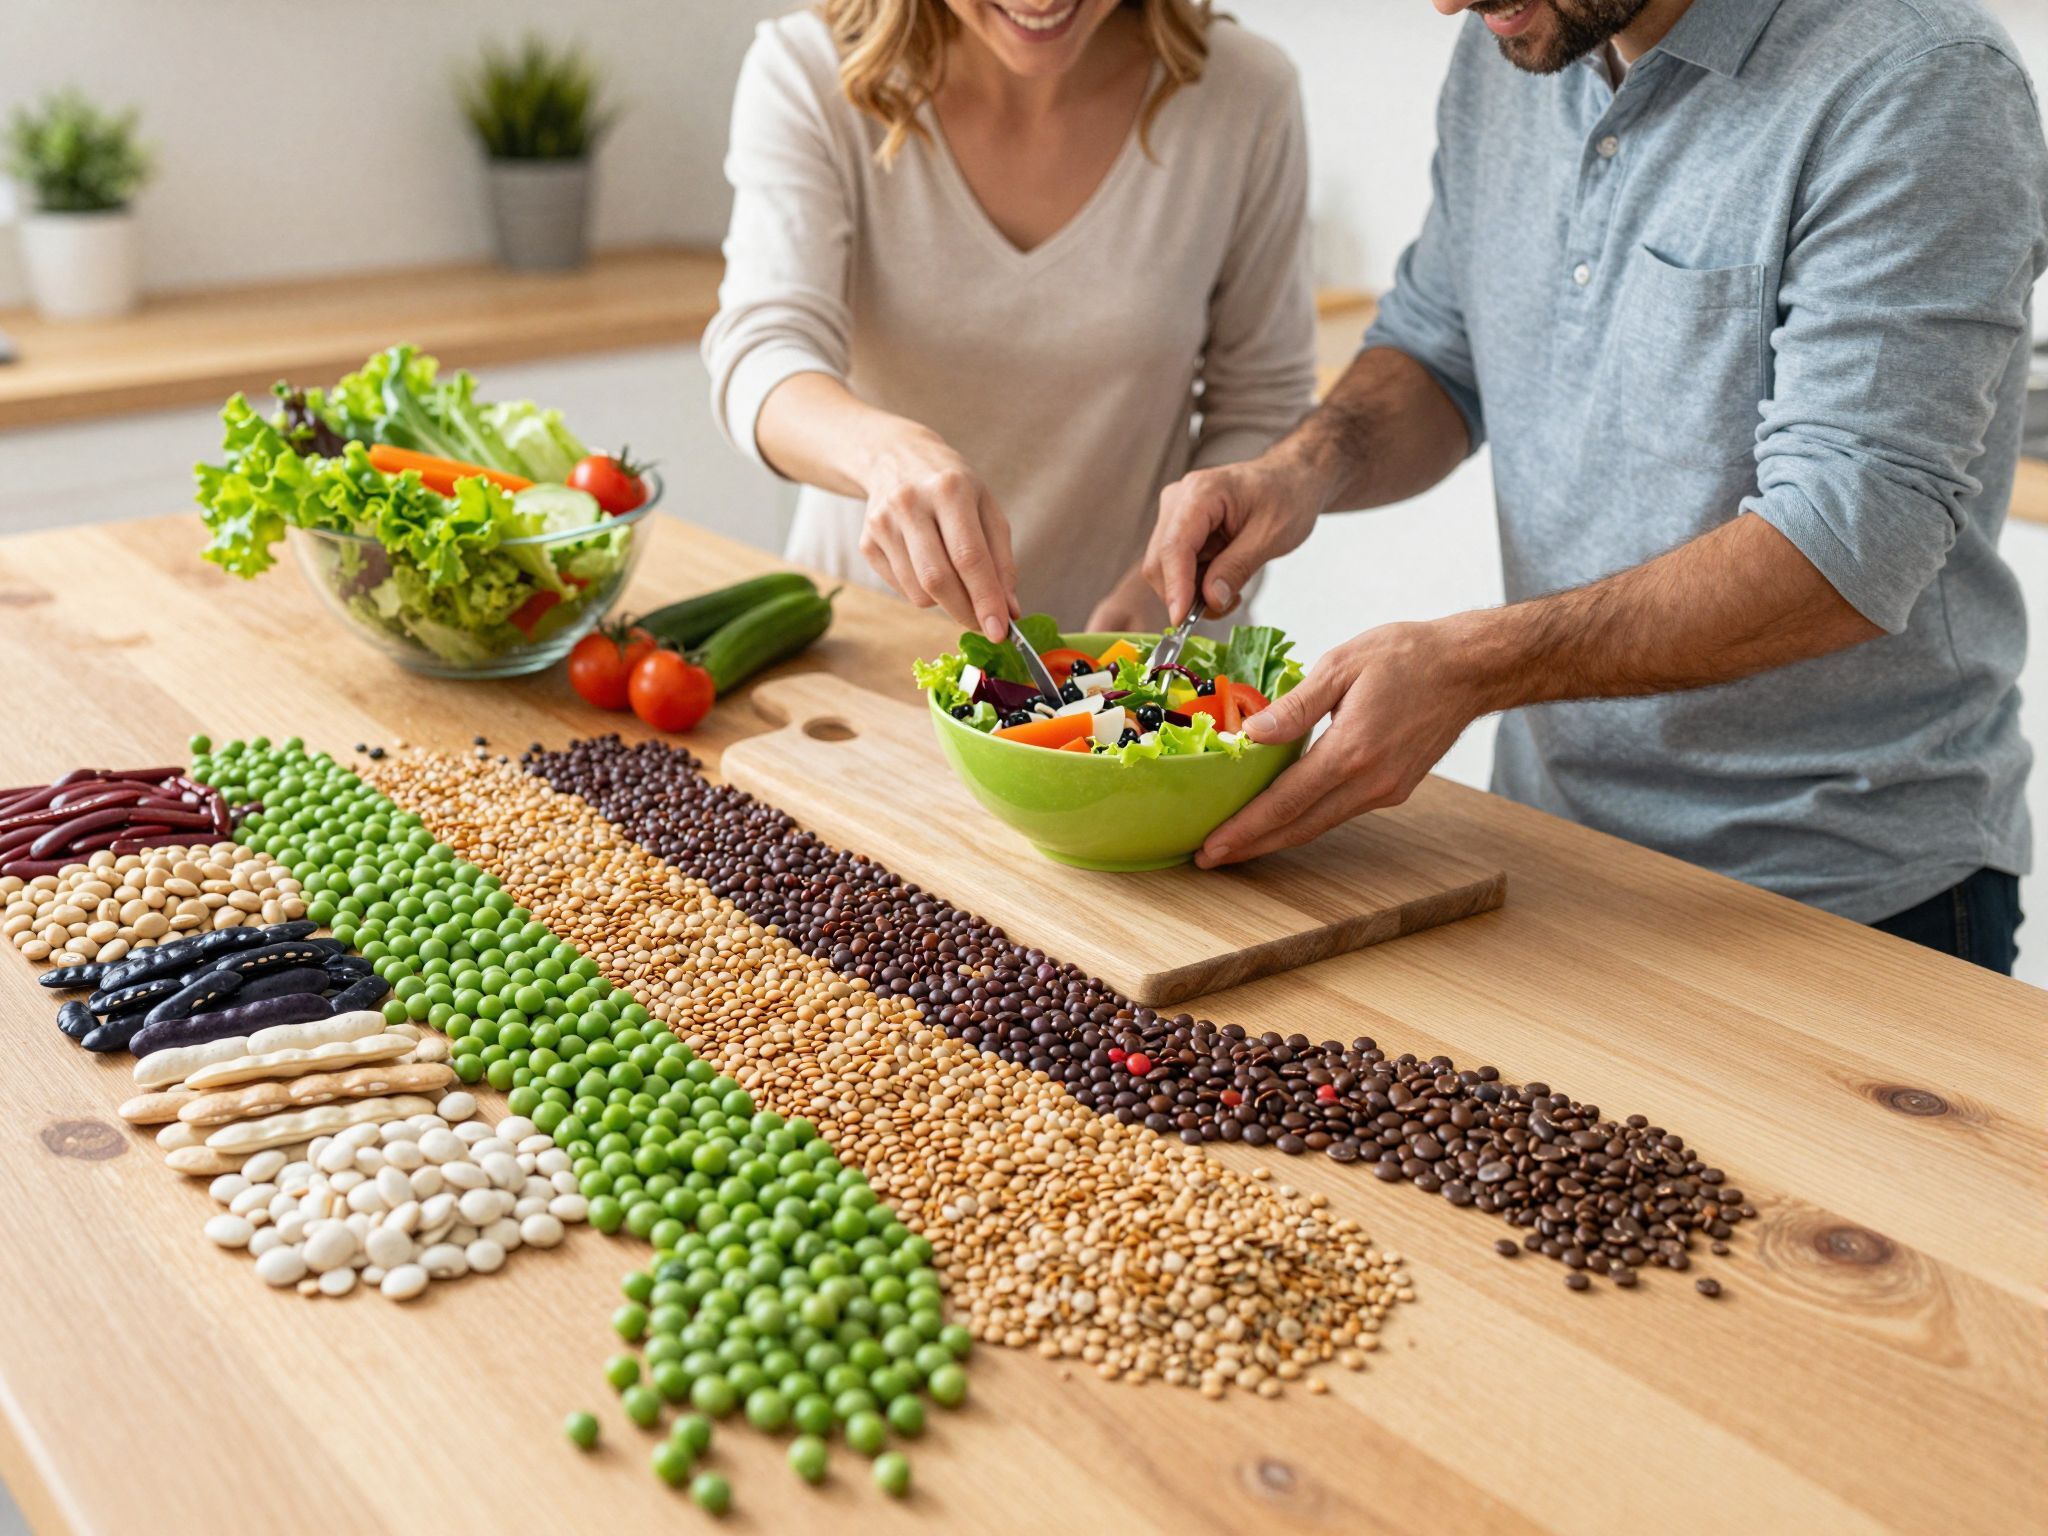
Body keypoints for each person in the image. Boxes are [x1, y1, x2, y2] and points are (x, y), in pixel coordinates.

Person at [1140, 0, 2048, 973]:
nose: (1448, 1)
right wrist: (1297, 471)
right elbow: (1440, 351)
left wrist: (1467, 666)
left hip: (1837, 897)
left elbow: (1846, 539)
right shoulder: (1515, 41)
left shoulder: (1918, 77)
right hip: (1546, 849)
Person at [704, 0, 1315, 642]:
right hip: (868, 650)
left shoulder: (1246, 92)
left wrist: (1163, 591)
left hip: (1145, 656)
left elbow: (1261, 401)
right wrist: (887, 456)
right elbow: (764, 351)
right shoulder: (810, 72)